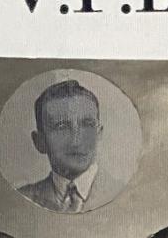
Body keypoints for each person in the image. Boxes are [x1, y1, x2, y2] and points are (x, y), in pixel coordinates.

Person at [14, 78, 126, 213]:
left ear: (99, 134)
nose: (76, 140)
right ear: (39, 141)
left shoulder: (125, 193)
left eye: (87, 125)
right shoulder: (22, 198)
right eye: (61, 127)